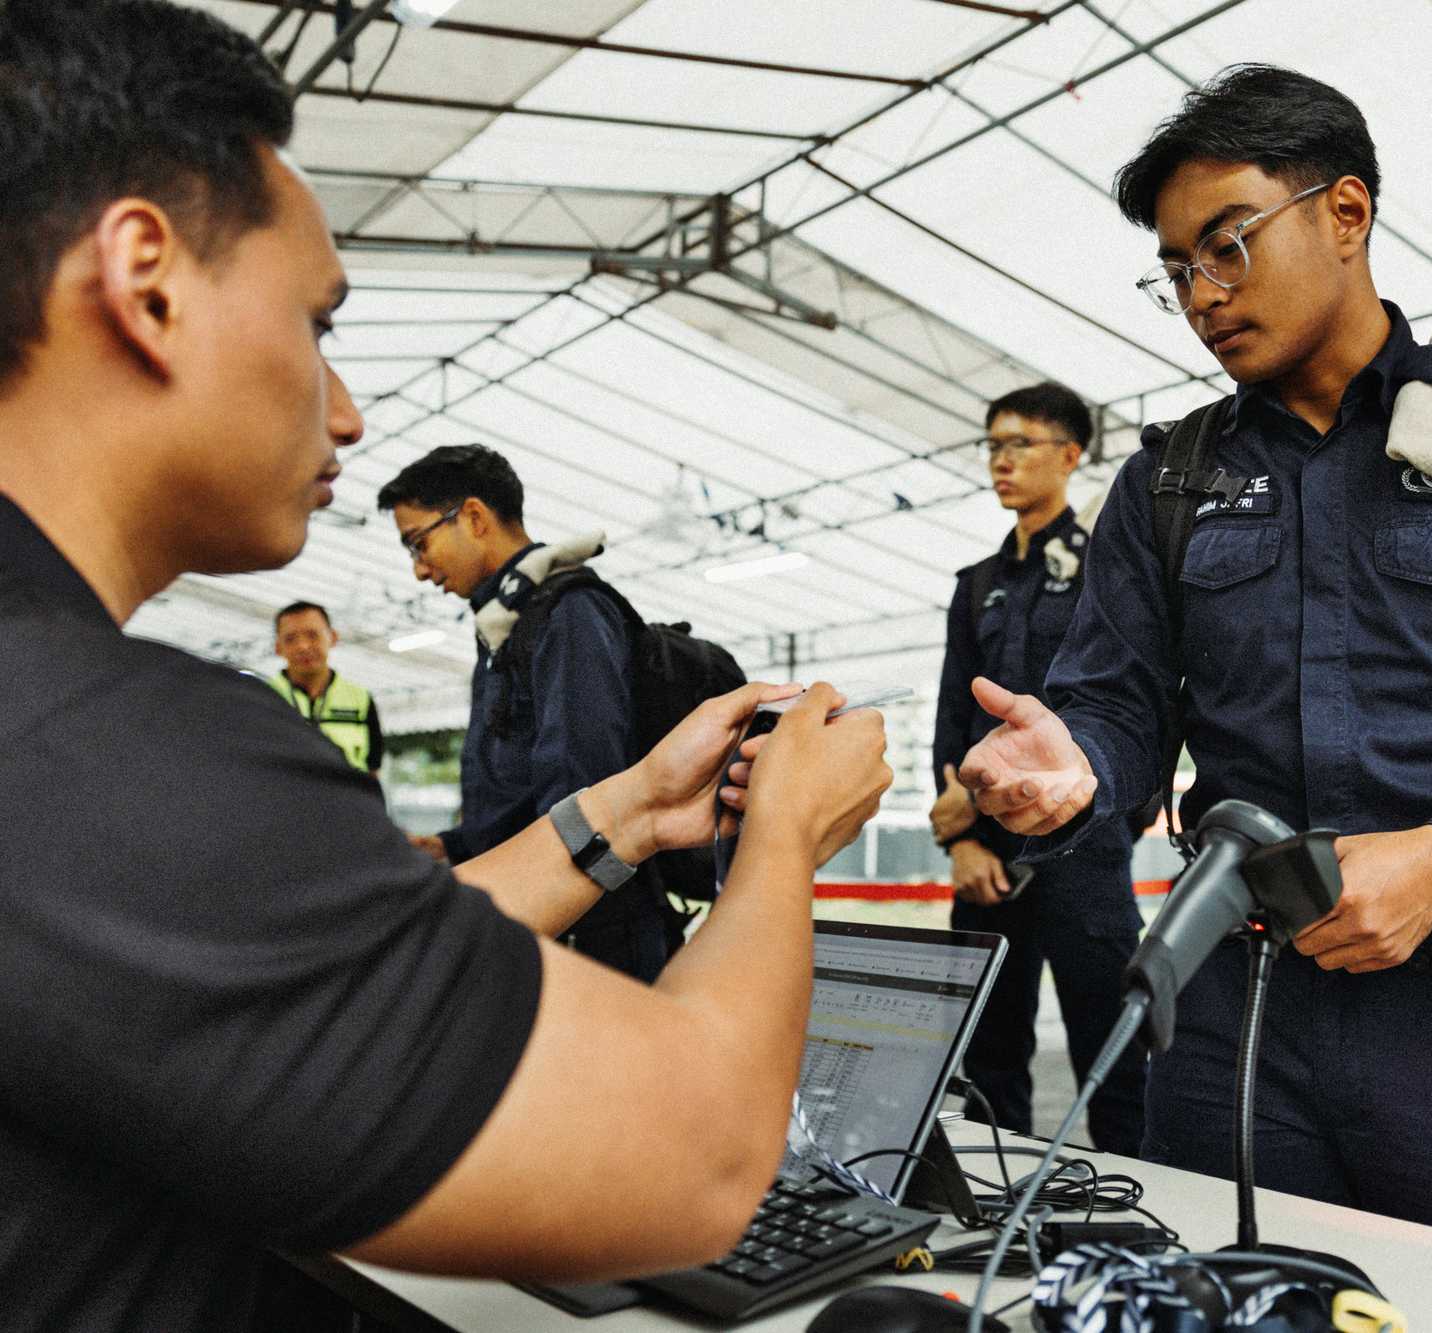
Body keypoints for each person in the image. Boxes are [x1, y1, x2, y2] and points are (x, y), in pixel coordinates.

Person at [0, 4, 890, 1329]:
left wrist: (635, 811)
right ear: (146, 278)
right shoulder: (102, 750)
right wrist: (783, 837)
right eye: (317, 322)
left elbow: (307, 965)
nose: (345, 410)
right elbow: (698, 1155)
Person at [956, 64, 1432, 1259]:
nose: (1201, 296)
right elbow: (1112, 706)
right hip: (1233, 1013)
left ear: (1345, 214)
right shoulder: (1166, 484)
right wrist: (1074, 773)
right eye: (1174, 272)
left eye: (1225, 246)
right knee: (1224, 1284)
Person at [931, 382, 1148, 1154]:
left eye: (1018, 443)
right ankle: (996, 1218)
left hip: (1086, 851)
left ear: (1070, 454)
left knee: (1115, 1055)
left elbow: (1138, 699)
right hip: (987, 856)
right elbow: (954, 715)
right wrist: (956, 839)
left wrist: (1116, 815)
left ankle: (1135, 1230)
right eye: (991, 445)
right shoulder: (977, 587)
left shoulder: (1109, 564)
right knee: (986, 1063)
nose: (1000, 461)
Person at [377, 444, 688, 981]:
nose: (420, 571)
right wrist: (453, 847)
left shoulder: (569, 611)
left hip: (589, 931)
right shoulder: (507, 624)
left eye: (418, 543)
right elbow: (522, 790)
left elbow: (584, 799)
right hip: (546, 913)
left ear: (473, 517)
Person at [269, 599, 385, 784]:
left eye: (312, 635)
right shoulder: (262, 696)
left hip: (347, 808)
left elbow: (373, 770)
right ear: (278, 648)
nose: (303, 646)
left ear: (333, 637)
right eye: (291, 639)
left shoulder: (360, 699)